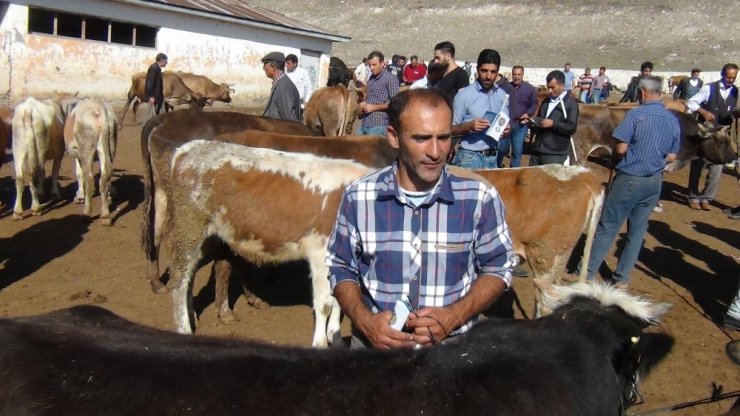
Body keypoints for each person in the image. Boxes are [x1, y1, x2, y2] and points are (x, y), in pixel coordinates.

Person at [326, 88, 514, 350]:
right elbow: (340, 265)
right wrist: (365, 320)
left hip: (453, 353)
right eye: (422, 138)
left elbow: (499, 266)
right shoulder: (359, 196)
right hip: (374, 352)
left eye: (444, 137)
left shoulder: (479, 197)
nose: (436, 151)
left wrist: (454, 316)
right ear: (393, 137)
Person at [569, 76, 680, 288]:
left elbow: (619, 149)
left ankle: (587, 271)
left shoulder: (636, 115)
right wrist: (654, 158)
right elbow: (672, 157)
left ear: (642, 93)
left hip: (629, 178)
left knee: (608, 225)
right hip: (654, 181)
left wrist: (626, 158)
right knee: (637, 230)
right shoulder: (672, 119)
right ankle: (621, 278)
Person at [685, 63, 738, 211]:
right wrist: (703, 111)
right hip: (706, 133)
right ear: (722, 75)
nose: (731, 80)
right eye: (728, 77)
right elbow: (691, 102)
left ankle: (707, 197)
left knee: (718, 166)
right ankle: (693, 196)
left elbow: (729, 109)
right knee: (698, 165)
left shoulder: (735, 91)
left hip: (721, 135)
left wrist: (734, 114)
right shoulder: (709, 88)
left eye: (733, 78)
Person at [450, 49, 510, 169]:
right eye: (484, 71)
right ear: (477, 69)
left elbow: (505, 123)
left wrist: (506, 130)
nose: (488, 76)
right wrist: (468, 126)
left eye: (493, 72)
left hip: (493, 157)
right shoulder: (464, 96)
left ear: (498, 72)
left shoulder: (503, 96)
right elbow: (450, 129)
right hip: (468, 158)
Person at [527, 70, 579, 166]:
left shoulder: (571, 104)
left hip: (554, 153)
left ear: (562, 86)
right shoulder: (546, 101)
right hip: (538, 151)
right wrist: (530, 122)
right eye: (548, 87)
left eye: (552, 87)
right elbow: (540, 121)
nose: (550, 90)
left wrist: (554, 124)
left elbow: (571, 128)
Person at [498, 65, 537, 169]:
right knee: (501, 149)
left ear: (523, 75)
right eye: (514, 74)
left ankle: (513, 172)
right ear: (512, 74)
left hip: (520, 125)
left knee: (517, 151)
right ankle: (497, 167)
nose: (517, 77)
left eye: (519, 74)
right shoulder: (505, 87)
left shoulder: (530, 89)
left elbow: (534, 104)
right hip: (506, 124)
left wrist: (528, 113)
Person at [358, 50, 399, 136]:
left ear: (382, 63)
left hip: (379, 125)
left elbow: (395, 103)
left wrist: (374, 107)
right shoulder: (370, 79)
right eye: (369, 65)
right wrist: (363, 104)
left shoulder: (391, 79)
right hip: (364, 124)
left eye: (374, 65)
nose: (371, 68)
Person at [261, 51, 301, 121]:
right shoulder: (281, 83)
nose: (263, 68)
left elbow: (290, 122)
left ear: (273, 67)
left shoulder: (283, 87)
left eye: (265, 64)